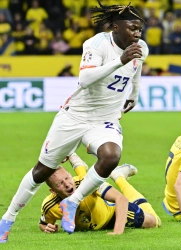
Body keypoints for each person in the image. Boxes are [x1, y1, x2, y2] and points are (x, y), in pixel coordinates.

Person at [0, 1, 148, 243]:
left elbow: (137, 67)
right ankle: (8, 217)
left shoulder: (140, 47)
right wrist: (119, 60)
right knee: (42, 171)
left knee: (111, 156)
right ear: (115, 27)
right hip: (75, 116)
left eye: (139, 29)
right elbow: (85, 78)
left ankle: (73, 201)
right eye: (132, 28)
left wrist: (134, 93)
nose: (137, 34)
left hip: (105, 119)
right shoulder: (96, 44)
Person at [39, 153, 161, 234]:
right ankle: (74, 157)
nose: (66, 184)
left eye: (67, 178)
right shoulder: (49, 205)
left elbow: (121, 199)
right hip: (96, 221)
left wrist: (117, 232)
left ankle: (119, 177)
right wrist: (48, 228)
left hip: (112, 214)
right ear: (53, 191)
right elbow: (43, 224)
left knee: (155, 222)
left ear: (71, 175)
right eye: (60, 183)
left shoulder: (87, 183)